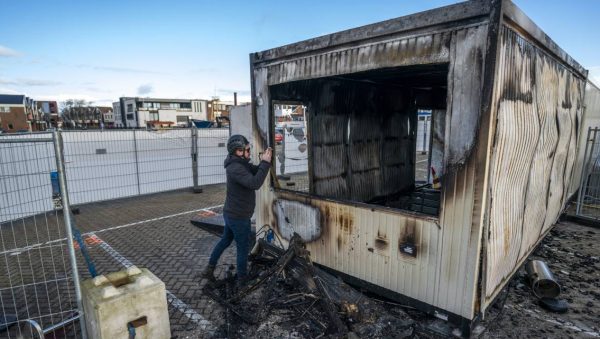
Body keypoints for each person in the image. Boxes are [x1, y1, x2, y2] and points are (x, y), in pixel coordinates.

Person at [202, 134, 272, 286]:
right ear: (238, 151)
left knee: (225, 240)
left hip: (232, 213)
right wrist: (265, 164)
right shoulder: (235, 168)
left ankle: (209, 269)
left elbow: (254, 170)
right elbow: (254, 183)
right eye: (247, 150)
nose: (249, 152)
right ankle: (242, 280)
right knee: (243, 247)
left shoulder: (240, 163)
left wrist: (263, 163)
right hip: (238, 216)